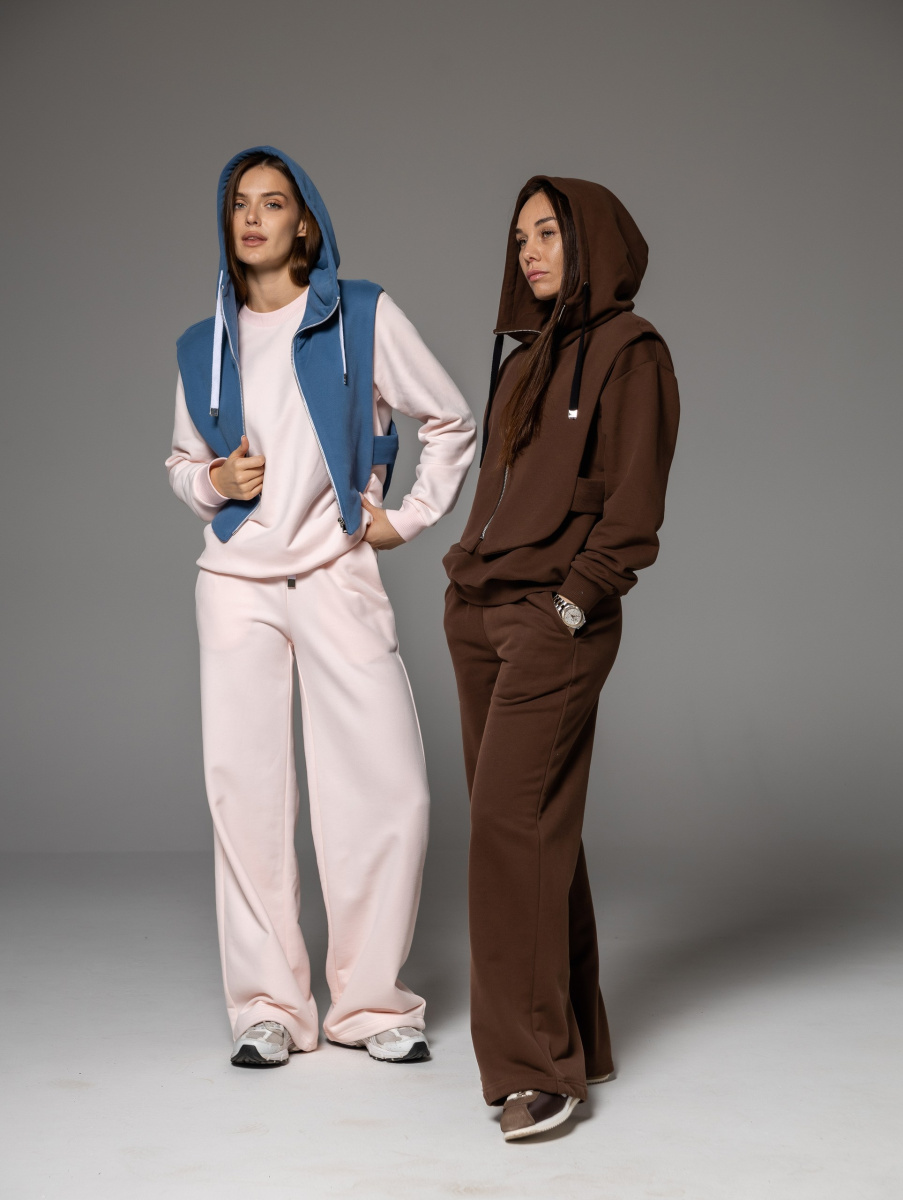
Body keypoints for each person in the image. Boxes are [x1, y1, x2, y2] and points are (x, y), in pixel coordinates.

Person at [166, 146, 475, 1068]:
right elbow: (181, 463)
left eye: (273, 203)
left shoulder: (361, 315)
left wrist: (407, 517)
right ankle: (269, 1006)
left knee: (388, 788)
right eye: (239, 204)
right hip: (236, 586)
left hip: (336, 570)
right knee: (246, 795)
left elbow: (450, 418)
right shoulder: (202, 345)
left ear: (305, 223)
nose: (252, 218)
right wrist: (213, 482)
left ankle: (372, 1004)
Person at [443, 177, 679, 1138]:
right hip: (478, 613)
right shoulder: (521, 361)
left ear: (590, 241)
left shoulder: (632, 352)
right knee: (532, 829)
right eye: (519, 239)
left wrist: (573, 604)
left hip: (554, 620)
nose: (530, 252)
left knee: (507, 828)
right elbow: (499, 490)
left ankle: (538, 1073)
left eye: (548, 233)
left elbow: (633, 507)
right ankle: (579, 1034)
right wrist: (463, 582)